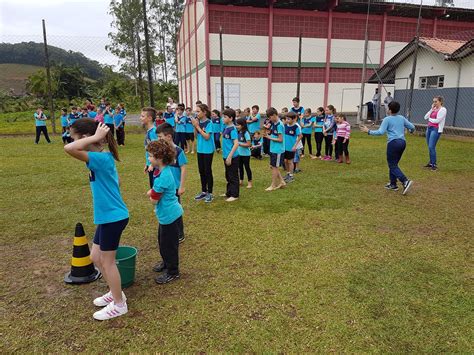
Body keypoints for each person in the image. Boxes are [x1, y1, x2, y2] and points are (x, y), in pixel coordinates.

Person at [64, 120, 129, 320]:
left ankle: (119, 304)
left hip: (113, 217)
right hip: (107, 216)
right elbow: (116, 181)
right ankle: (115, 291)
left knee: (107, 262)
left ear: (84, 138)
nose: (72, 140)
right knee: (94, 258)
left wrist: (95, 138)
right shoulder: (101, 158)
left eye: (75, 137)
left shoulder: (100, 159)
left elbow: (69, 148)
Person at [146, 140, 183, 284]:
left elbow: (154, 200)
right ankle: (166, 263)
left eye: (150, 156)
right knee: (162, 242)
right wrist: (153, 191)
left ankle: (173, 271)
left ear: (159, 158)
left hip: (170, 216)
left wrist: (151, 193)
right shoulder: (163, 171)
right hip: (166, 215)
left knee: (169, 245)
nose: (149, 158)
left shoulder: (163, 177)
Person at [360, 101, 415, 195]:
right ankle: (393, 184)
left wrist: (368, 131)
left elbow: (380, 132)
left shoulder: (387, 119)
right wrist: (411, 131)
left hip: (393, 143)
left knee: (392, 165)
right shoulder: (401, 118)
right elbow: (412, 127)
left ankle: (405, 181)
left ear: (390, 109)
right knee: (394, 163)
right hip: (402, 142)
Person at [155, 123, 187, 243]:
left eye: (160, 137)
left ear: (168, 136)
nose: (158, 139)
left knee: (175, 210)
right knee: (165, 208)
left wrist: (182, 186)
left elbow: (183, 168)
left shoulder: (178, 151)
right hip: (165, 186)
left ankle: (179, 234)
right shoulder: (162, 151)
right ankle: (168, 231)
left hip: (175, 187)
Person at [192, 103, 215, 203]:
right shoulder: (198, 122)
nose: (196, 113)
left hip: (208, 150)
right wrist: (195, 126)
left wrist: (197, 126)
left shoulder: (209, 123)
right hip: (200, 150)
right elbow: (196, 136)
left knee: (207, 171)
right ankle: (203, 191)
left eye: (198, 111)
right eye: (195, 111)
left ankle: (210, 193)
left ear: (204, 112)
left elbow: (207, 137)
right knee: (201, 171)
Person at [264, 107, 286, 191]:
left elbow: (280, 139)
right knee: (273, 167)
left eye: (269, 117)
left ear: (274, 115)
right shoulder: (274, 123)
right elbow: (274, 134)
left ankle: (273, 185)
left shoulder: (280, 125)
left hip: (278, 150)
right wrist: (268, 133)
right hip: (273, 148)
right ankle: (282, 181)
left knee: (274, 167)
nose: (269, 119)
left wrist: (269, 138)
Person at [220, 109, 240, 201]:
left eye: (225, 117)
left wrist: (230, 156)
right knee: (228, 175)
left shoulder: (232, 129)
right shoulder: (226, 127)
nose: (223, 118)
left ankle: (235, 195)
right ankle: (229, 192)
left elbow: (236, 143)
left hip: (232, 157)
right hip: (226, 156)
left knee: (233, 175)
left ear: (231, 118)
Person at [423, 96, 446, 171]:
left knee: (431, 147)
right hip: (429, 129)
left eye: (436, 101)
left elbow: (437, 120)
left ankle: (434, 164)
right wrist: (431, 110)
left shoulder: (443, 109)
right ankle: (431, 163)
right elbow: (425, 117)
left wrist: (430, 119)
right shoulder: (434, 109)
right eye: (433, 101)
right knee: (429, 146)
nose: (434, 103)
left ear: (440, 102)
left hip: (435, 129)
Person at [140, 107, 158, 188]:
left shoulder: (154, 132)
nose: (141, 118)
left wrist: (152, 165)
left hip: (155, 165)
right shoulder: (149, 131)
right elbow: (149, 150)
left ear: (150, 118)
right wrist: (147, 164)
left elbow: (157, 149)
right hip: (151, 164)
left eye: (143, 116)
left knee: (155, 189)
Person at [283, 112, 302, 183]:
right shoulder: (285, 125)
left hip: (291, 147)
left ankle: (291, 176)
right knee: (285, 161)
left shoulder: (296, 127)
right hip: (284, 147)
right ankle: (288, 174)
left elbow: (300, 136)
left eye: (288, 119)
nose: (287, 120)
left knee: (290, 161)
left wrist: (295, 145)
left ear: (294, 119)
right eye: (286, 119)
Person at [236, 117, 252, 189]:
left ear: (242, 125)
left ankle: (250, 182)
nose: (237, 126)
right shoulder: (238, 132)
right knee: (240, 168)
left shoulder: (246, 133)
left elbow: (249, 144)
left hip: (246, 154)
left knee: (247, 168)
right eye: (236, 125)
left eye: (238, 125)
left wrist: (239, 143)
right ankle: (241, 181)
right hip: (239, 154)